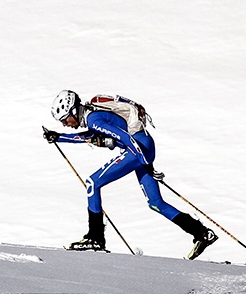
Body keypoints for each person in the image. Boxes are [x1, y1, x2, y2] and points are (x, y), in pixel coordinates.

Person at [43, 90, 217, 259]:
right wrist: (59, 137)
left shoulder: (93, 118)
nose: (65, 124)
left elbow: (125, 138)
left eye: (65, 120)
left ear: (73, 111)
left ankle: (95, 238)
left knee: (92, 183)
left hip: (138, 149)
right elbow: (88, 136)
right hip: (143, 147)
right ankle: (202, 233)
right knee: (156, 203)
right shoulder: (92, 118)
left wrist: (146, 162)